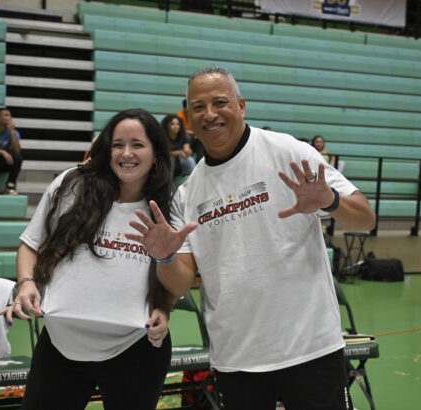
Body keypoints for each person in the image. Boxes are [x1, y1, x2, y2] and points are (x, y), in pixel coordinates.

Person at [126, 67, 375, 409]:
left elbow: (365, 218)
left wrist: (329, 201)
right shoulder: (187, 194)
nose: (210, 115)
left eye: (220, 103)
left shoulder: (287, 152)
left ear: (241, 105)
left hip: (310, 348)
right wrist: (164, 257)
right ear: (188, 117)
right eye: (198, 107)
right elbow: (180, 284)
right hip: (236, 359)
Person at [0, 109, 173, 409]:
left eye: (138, 144)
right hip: (61, 344)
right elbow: (30, 245)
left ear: (155, 153)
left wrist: (164, 309)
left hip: (136, 347)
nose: (126, 153)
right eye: (117, 144)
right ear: (106, 148)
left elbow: (175, 276)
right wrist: (26, 284)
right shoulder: (72, 185)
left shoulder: (167, 205)